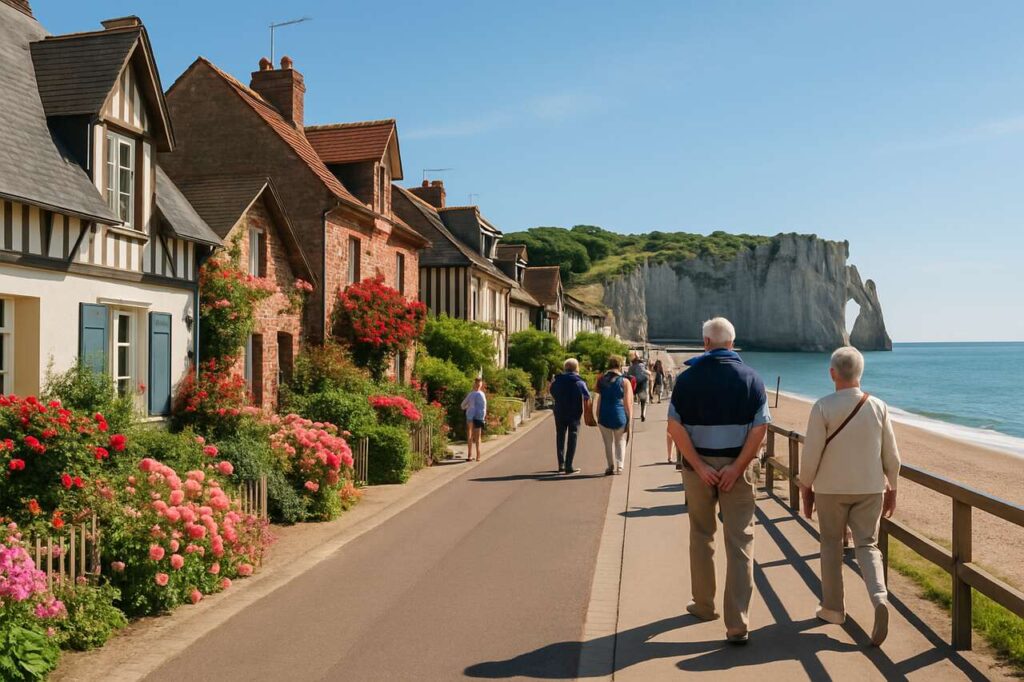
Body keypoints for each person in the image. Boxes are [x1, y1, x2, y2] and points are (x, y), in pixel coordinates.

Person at [667, 317, 770, 644]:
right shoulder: (753, 379)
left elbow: (674, 427)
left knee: (701, 534)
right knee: (741, 541)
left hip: (698, 470)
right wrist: (737, 467)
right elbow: (760, 428)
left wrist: (698, 465)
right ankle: (737, 622)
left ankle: (704, 605)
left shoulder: (686, 379)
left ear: (706, 343)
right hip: (736, 471)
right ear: (732, 343)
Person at [798, 346, 901, 647]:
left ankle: (833, 609)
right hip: (870, 488)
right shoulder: (878, 406)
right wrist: (892, 488)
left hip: (831, 489)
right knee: (868, 545)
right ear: (860, 373)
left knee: (831, 545)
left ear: (832, 373)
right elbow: (891, 456)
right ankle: (879, 596)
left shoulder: (823, 407)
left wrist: (806, 487)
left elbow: (811, 454)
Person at [548, 358, 592, 475]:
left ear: (565, 368)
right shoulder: (579, 382)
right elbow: (587, 396)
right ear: (576, 368)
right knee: (573, 437)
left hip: (559, 411)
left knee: (560, 436)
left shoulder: (557, 381)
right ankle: (569, 465)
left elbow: (551, 391)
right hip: (574, 413)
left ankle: (561, 464)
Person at [595, 355, 634, 475]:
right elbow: (627, 402)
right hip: (619, 414)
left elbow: (598, 398)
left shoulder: (600, 379)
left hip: (604, 413)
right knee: (620, 440)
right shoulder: (624, 381)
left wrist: (597, 414)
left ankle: (610, 465)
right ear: (620, 366)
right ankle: (620, 466)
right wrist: (629, 417)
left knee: (608, 442)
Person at [461, 378, 487, 462]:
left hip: (470, 416)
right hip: (479, 417)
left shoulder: (470, 394)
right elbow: (484, 408)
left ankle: (470, 455)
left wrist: (468, 407)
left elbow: (462, 405)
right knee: (477, 436)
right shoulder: (482, 394)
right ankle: (478, 456)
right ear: (480, 385)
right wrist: (483, 417)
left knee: (470, 435)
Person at [627, 353, 651, 421]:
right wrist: (649, 372)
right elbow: (646, 372)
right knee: (643, 400)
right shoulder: (641, 365)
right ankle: (643, 414)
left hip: (633, 384)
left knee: (630, 400)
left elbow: (628, 375)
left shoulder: (631, 367)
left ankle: (630, 414)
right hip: (641, 384)